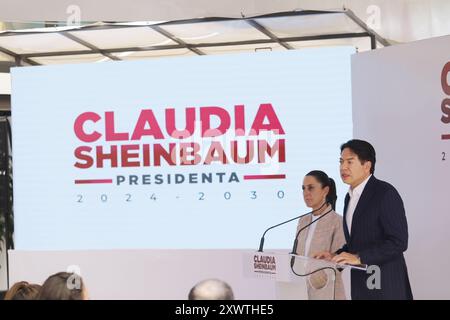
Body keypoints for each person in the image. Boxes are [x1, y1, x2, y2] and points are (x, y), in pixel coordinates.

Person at [315, 139, 413, 300]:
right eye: (341, 161)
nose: (343, 167)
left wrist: (360, 258)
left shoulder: (385, 193)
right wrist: (335, 255)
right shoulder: (349, 197)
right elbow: (359, 241)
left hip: (385, 285)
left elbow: (398, 241)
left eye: (349, 162)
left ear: (367, 166)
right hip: (362, 285)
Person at [294, 170, 346, 300]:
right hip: (300, 292)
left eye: (311, 188)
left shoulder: (337, 221)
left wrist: (312, 280)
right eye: (303, 189)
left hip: (328, 292)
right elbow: (297, 256)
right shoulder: (302, 221)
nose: (306, 193)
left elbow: (340, 263)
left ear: (325, 190)